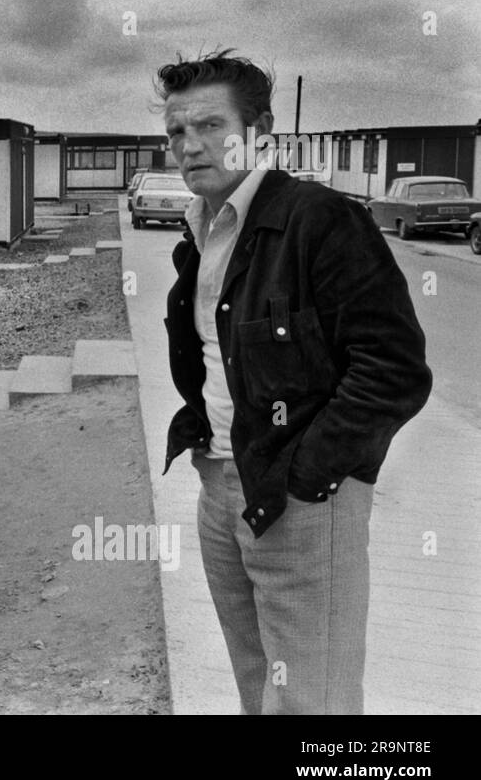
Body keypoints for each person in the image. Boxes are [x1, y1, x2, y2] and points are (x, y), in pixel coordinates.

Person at [157, 49, 432, 714]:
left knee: (312, 702)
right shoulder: (201, 231)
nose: (190, 146)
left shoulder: (319, 221)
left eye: (211, 127)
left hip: (303, 501)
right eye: (176, 132)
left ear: (259, 132)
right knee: (259, 686)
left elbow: (394, 368)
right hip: (221, 490)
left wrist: (311, 476)